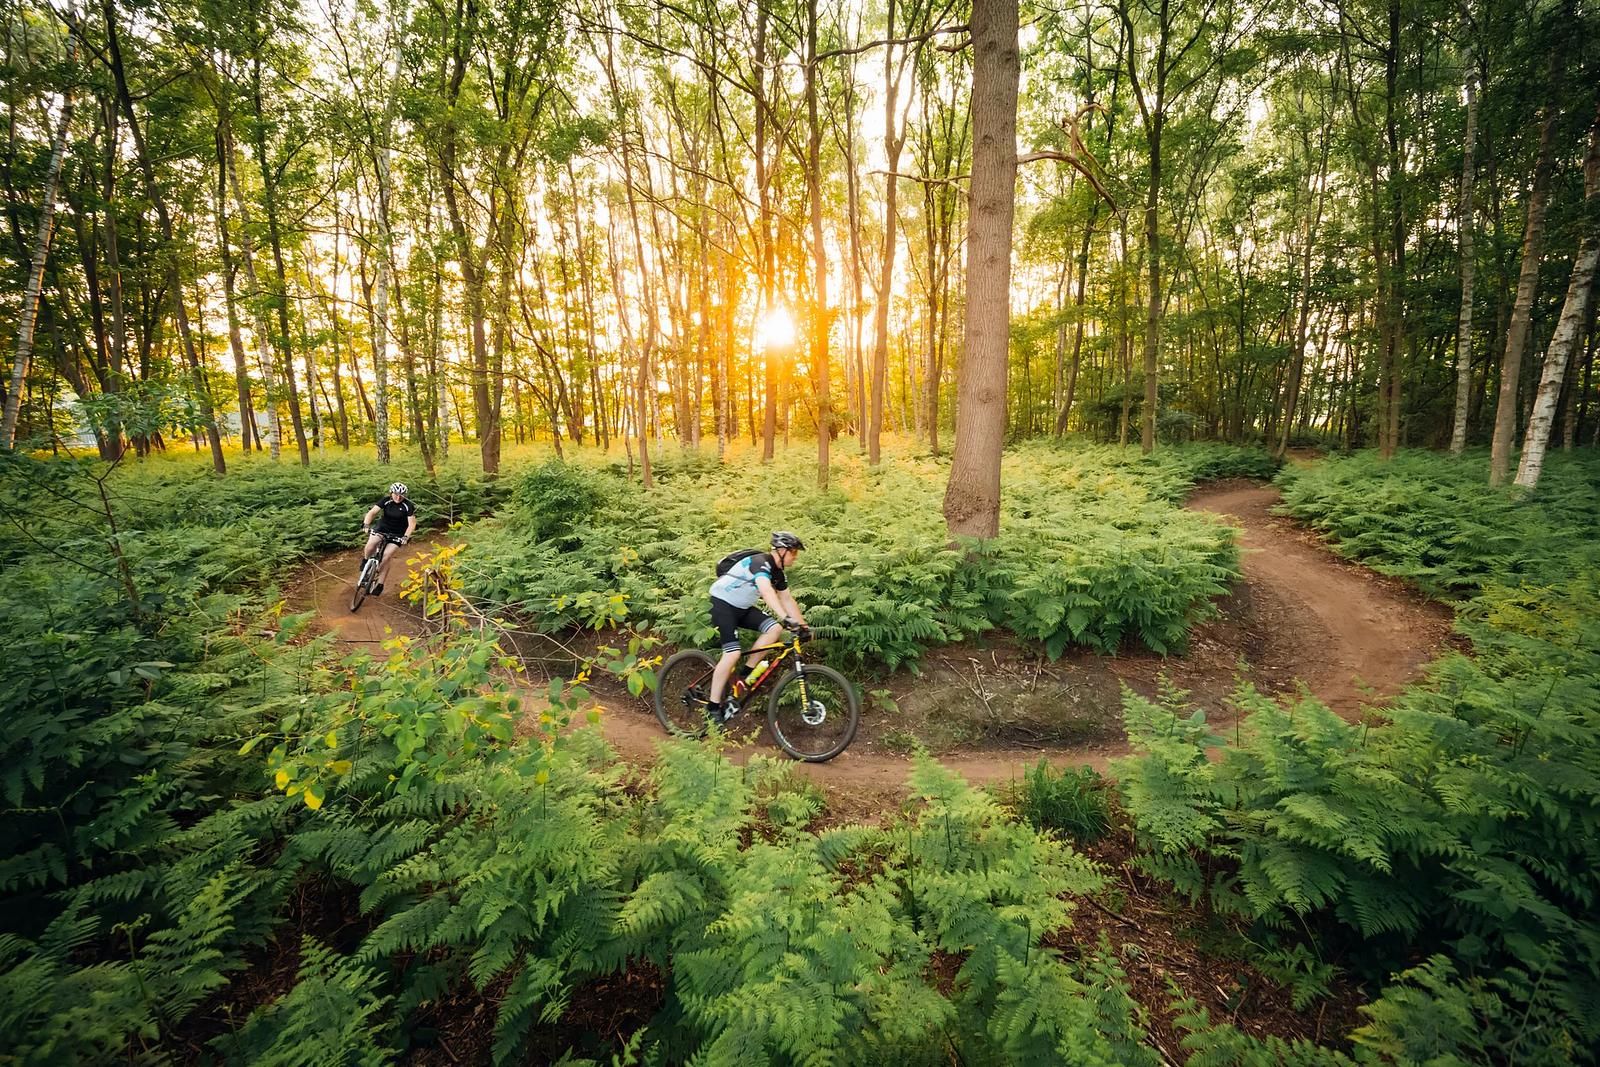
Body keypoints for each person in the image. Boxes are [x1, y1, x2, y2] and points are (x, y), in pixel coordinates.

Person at [703, 531, 810, 722]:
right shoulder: (759, 562)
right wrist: (785, 617)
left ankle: (745, 675)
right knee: (732, 654)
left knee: (774, 629)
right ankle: (712, 707)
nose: (795, 557)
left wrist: (802, 626)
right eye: (794, 552)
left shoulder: (778, 573)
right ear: (782, 550)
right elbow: (767, 591)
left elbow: (786, 598)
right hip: (721, 604)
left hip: (741, 607)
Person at [360, 482, 417, 596]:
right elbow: (372, 512)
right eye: (396, 494)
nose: (398, 497)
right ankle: (366, 560)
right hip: (382, 528)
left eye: (401, 495)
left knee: (386, 556)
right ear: (391, 493)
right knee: (371, 545)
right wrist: (366, 524)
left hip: (398, 533)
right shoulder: (386, 501)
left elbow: (411, 524)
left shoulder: (408, 506)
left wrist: (406, 537)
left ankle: (380, 583)